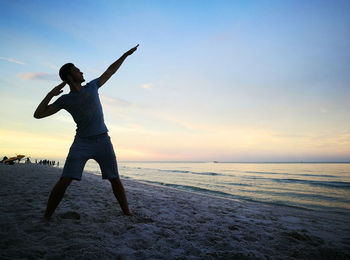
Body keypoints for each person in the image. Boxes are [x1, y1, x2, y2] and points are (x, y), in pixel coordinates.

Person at [34, 45, 139, 220]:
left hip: (103, 140)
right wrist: (50, 94)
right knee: (65, 179)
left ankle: (126, 212)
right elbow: (38, 115)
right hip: (81, 143)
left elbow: (110, 71)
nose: (81, 72)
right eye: (77, 71)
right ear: (69, 76)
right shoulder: (64, 100)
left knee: (114, 178)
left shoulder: (92, 86)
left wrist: (125, 55)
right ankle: (47, 216)